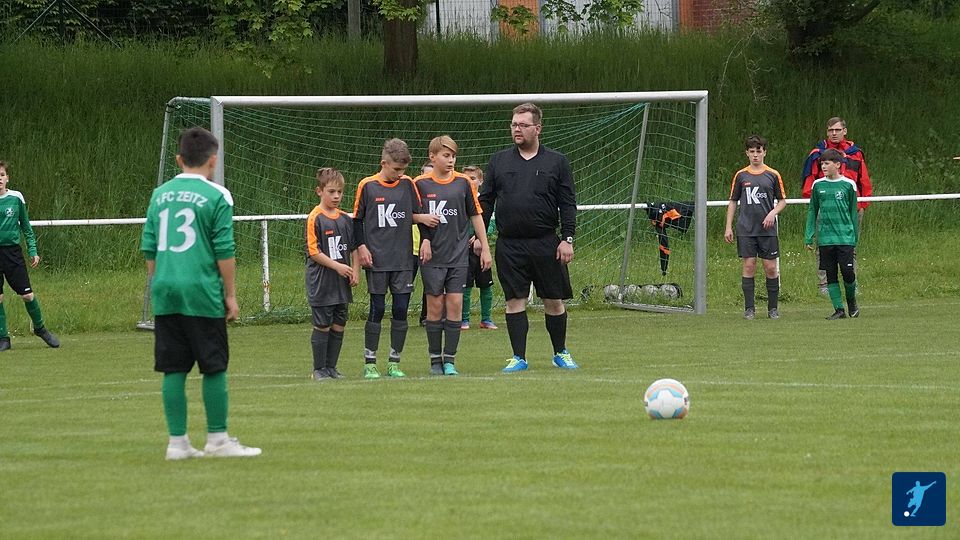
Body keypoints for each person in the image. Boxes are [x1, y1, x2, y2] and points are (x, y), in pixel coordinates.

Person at [140, 127, 260, 459]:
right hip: (201, 291)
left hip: (166, 290)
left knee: (173, 368)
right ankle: (218, 440)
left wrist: (163, 280)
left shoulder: (159, 194)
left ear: (179, 159)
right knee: (214, 365)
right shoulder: (217, 196)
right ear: (213, 160)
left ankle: (177, 444)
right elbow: (224, 250)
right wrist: (230, 295)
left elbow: (149, 247)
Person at [479, 103, 579, 373]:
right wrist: (479, 237)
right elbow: (485, 202)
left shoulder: (556, 161)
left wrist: (567, 238)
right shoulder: (499, 161)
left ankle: (560, 352)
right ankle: (518, 357)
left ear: (537, 128)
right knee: (514, 301)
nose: (517, 129)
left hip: (546, 243)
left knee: (553, 300)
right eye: (514, 124)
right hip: (510, 244)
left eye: (523, 125)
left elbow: (567, 203)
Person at [353, 139, 437, 379]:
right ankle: (370, 362)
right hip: (377, 259)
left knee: (401, 309)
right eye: (396, 169)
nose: (400, 174)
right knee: (377, 308)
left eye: (403, 170)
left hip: (403, 259)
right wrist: (361, 247)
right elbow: (357, 220)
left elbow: (419, 215)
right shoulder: (367, 185)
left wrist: (426, 240)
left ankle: (394, 362)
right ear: (384, 163)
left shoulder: (408, 184)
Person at [415, 136, 491, 375]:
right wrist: (423, 224)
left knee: (455, 304)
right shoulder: (419, 184)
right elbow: (406, 213)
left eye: (453, 156)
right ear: (432, 157)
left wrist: (485, 247)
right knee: (435, 307)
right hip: (432, 257)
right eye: (446, 156)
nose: (451, 161)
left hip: (458, 255)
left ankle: (449, 361)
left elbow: (475, 215)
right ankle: (435, 361)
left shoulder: (463, 183)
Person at [801, 117, 872, 294]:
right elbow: (810, 181)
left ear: (844, 131)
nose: (834, 133)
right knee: (823, 247)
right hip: (825, 208)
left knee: (850, 246)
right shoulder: (818, 154)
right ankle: (824, 285)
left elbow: (863, 180)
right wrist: (817, 203)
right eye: (831, 130)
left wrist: (862, 204)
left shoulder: (855, 154)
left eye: (837, 130)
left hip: (852, 208)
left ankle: (852, 283)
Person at [724, 135, 787, 320]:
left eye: (758, 151)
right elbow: (733, 201)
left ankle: (772, 309)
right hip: (746, 229)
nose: (755, 155)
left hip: (767, 231)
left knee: (770, 268)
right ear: (747, 153)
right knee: (749, 265)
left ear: (764, 152)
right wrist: (728, 227)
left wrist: (772, 213)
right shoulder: (741, 175)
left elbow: (782, 201)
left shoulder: (773, 174)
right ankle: (749, 309)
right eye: (752, 151)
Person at [305, 167, 360, 381]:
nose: (336, 196)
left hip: (341, 283)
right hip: (322, 282)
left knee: (339, 323)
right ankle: (319, 369)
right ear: (319, 191)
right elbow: (313, 252)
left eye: (339, 192)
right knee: (322, 324)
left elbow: (354, 248)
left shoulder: (345, 219)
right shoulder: (315, 218)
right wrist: (337, 266)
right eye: (331, 192)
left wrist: (355, 271)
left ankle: (331, 367)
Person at [0, 161, 60, 351]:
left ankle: (40, 328)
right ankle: (3, 338)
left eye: (1, 175)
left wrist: (33, 250)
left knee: (27, 294)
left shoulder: (16, 197)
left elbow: (26, 226)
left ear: (7, 178)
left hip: (12, 253)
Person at [804, 148, 860, 320]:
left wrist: (854, 236)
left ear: (837, 165)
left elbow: (853, 212)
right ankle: (839, 309)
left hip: (845, 237)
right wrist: (809, 236)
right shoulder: (817, 185)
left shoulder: (849, 185)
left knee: (848, 272)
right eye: (822, 163)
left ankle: (851, 302)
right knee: (831, 274)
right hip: (825, 238)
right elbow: (813, 210)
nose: (823, 166)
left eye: (827, 163)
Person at [460, 165, 497, 330]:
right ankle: (464, 319)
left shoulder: (485, 201)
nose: (470, 182)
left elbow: (491, 223)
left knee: (485, 284)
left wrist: (479, 238)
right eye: (466, 179)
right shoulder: (458, 199)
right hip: (462, 250)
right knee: (465, 284)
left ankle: (486, 319)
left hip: (482, 250)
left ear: (481, 181)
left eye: (473, 178)